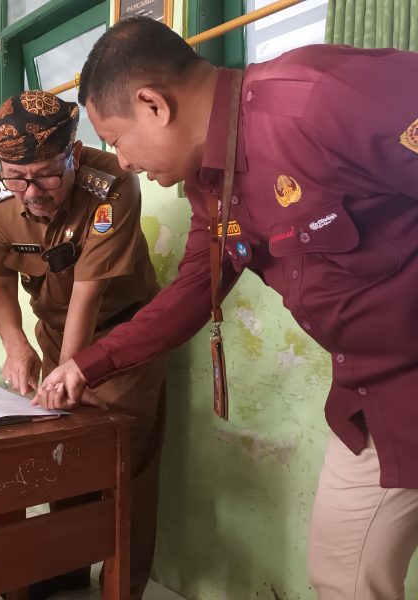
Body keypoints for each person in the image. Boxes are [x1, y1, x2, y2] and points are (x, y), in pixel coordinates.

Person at [35, 17, 418, 600]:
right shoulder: (211, 184)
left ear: (153, 105)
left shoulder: (315, 99)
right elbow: (194, 290)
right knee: (342, 574)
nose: (127, 162)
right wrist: (86, 366)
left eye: (117, 140)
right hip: (372, 398)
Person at [0, 90, 167, 599]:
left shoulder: (113, 186)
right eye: (15, 176)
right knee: (60, 451)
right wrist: (16, 345)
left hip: (122, 337)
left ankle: (122, 585)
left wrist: (68, 374)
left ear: (75, 153)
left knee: (117, 459)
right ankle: (65, 565)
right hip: (53, 331)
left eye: (45, 173)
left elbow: (88, 297)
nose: (31, 190)